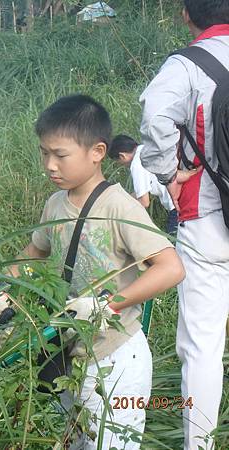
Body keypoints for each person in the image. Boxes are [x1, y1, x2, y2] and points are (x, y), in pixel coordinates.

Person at [0, 95, 185, 449]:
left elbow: (170, 268)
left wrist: (107, 304)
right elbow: (35, 252)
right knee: (76, 442)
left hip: (116, 358)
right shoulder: (55, 203)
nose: (49, 165)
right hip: (68, 354)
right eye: (44, 153)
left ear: (97, 152)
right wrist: (3, 291)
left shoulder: (119, 206)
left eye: (60, 155)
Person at [139, 2, 229, 448]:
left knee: (202, 347)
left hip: (208, 217)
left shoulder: (187, 65)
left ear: (185, 14)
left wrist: (169, 173)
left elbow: (156, 115)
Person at [108, 134, 178, 234]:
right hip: (184, 196)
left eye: (118, 161)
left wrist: (121, 215)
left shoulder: (137, 164)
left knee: (174, 242)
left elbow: (144, 202)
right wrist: (123, 199)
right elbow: (141, 192)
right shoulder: (145, 150)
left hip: (176, 207)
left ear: (122, 156)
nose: (120, 164)